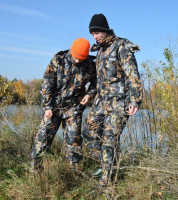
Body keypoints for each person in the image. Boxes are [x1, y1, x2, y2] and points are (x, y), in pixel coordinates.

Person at [83, 14, 143, 186]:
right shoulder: (100, 50)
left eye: (96, 32)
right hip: (101, 102)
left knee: (110, 140)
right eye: (92, 34)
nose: (94, 36)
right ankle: (107, 164)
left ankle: (105, 185)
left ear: (104, 30)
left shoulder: (121, 46)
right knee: (89, 132)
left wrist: (134, 100)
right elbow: (98, 79)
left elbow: (132, 74)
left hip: (119, 103)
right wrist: (90, 93)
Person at [31, 38, 96, 170]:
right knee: (42, 139)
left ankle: (74, 172)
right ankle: (34, 170)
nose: (77, 61)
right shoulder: (58, 59)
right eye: (76, 57)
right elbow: (47, 84)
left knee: (74, 143)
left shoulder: (89, 65)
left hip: (74, 109)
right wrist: (47, 107)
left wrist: (89, 94)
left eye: (81, 58)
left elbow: (96, 83)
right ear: (72, 51)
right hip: (53, 108)